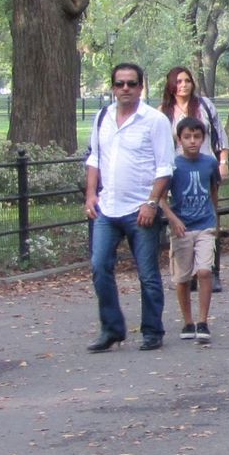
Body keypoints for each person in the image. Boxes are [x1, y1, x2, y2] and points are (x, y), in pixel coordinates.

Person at [84, 63, 174, 352]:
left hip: (140, 210)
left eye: (131, 84)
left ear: (140, 87)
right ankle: (111, 329)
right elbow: (94, 159)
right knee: (99, 267)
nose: (125, 88)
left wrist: (151, 202)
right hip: (107, 209)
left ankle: (152, 330)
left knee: (147, 273)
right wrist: (90, 195)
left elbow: (165, 167)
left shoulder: (154, 120)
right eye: (120, 83)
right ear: (112, 87)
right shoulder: (102, 118)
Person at [160, 64, 227, 293]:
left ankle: (211, 271)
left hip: (205, 165)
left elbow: (220, 135)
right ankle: (184, 271)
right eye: (178, 81)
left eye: (187, 80)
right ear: (170, 85)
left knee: (208, 215)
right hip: (178, 170)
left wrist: (223, 161)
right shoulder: (164, 112)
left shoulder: (204, 106)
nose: (183, 85)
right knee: (183, 213)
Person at [166, 117, 220, 343]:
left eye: (197, 136)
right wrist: (173, 219)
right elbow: (159, 198)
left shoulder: (209, 163)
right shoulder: (174, 165)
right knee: (183, 277)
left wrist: (215, 218)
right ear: (179, 139)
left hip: (205, 225)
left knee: (205, 270)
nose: (192, 141)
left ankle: (203, 321)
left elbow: (214, 190)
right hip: (182, 229)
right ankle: (187, 321)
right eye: (187, 137)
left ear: (203, 138)